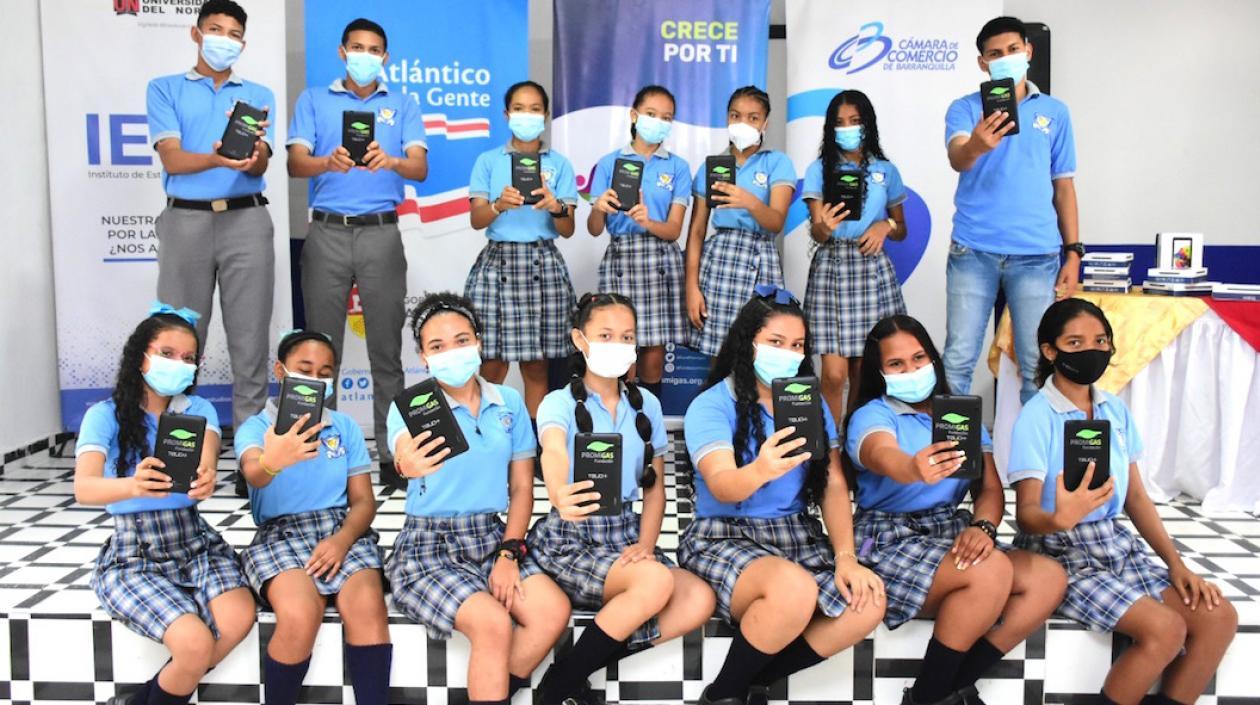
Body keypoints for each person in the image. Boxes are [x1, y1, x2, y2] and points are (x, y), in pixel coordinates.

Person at [1011, 298, 1237, 705]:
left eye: (1100, 340)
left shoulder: (1114, 410)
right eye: (1075, 342)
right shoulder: (1036, 416)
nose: (1091, 350)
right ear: (1050, 350)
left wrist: (1177, 564)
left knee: (1219, 617)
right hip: (1060, 552)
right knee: (1165, 629)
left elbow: (1135, 495)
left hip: (1114, 544)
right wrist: (1061, 518)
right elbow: (1026, 515)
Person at [845, 315, 1066, 705]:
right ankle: (932, 696)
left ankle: (949, 687)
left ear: (934, 359)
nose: (911, 370)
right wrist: (913, 467)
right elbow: (880, 453)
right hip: (888, 539)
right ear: (880, 372)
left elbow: (990, 488)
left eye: (918, 358)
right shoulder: (873, 415)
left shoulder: (959, 415)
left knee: (1048, 577)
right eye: (896, 364)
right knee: (991, 570)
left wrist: (983, 526)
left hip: (950, 530)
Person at [679, 287, 885, 705]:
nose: (788, 353)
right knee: (793, 590)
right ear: (747, 342)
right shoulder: (711, 405)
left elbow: (831, 483)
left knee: (868, 600)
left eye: (797, 345)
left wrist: (846, 556)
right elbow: (721, 483)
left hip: (795, 533)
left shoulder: (808, 404)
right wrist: (762, 468)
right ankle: (724, 694)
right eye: (776, 342)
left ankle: (742, 685)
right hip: (725, 535)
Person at [530, 293, 716, 705]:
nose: (617, 344)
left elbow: (655, 489)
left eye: (626, 336)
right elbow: (554, 450)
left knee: (698, 599)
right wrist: (559, 490)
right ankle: (556, 690)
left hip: (626, 535)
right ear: (580, 340)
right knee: (654, 582)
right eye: (605, 335)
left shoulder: (646, 403)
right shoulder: (557, 403)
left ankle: (579, 667)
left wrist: (646, 545)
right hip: (572, 536)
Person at [386, 293, 572, 705]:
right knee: (492, 624)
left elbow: (523, 488)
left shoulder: (508, 404)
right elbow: (403, 452)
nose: (451, 352)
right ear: (423, 354)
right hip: (428, 547)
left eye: (461, 340)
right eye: (437, 346)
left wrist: (509, 553)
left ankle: (489, 693)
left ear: (479, 342)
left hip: (491, 536)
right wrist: (407, 464)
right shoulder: (412, 406)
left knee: (552, 612)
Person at [74, 304, 255, 705]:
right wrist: (132, 486)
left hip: (195, 542)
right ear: (141, 355)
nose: (179, 365)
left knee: (239, 618)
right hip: (134, 553)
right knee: (193, 645)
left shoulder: (198, 410)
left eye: (189, 359)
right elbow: (84, 489)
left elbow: (205, 461)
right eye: (168, 354)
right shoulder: (104, 416)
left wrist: (205, 480)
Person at [286, 17, 429, 492]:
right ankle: (316, 449)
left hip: (381, 233)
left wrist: (392, 161)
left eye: (375, 49)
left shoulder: (402, 103)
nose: (366, 55)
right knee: (317, 352)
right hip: (326, 230)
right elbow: (293, 162)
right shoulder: (313, 99)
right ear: (342, 52)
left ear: (384, 58)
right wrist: (327, 161)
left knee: (386, 350)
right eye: (357, 47)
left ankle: (392, 455)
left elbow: (421, 167)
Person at [235, 330, 390, 705]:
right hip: (280, 534)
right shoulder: (257, 428)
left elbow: (364, 503)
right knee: (301, 614)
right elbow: (253, 474)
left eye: (325, 372)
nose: (316, 379)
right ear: (281, 370)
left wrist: (341, 540)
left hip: (343, 531)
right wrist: (275, 457)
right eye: (305, 369)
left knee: (368, 607)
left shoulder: (344, 427)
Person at [147, 0, 275, 431]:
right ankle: (174, 449)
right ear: (196, 33)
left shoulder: (258, 96)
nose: (224, 39)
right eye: (215, 29)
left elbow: (261, 165)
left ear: (243, 42)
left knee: (250, 339)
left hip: (247, 220)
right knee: (177, 338)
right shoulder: (164, 88)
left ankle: (250, 451)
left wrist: (253, 153)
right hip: (186, 220)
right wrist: (217, 159)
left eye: (234, 33)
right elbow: (173, 159)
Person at [942, 16, 1082, 403]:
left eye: (1013, 50)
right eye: (995, 54)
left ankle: (1031, 461)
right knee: (958, 358)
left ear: (1028, 51)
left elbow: (1064, 184)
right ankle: (950, 458)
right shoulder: (966, 109)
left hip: (1037, 254)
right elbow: (958, 157)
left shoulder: (1055, 112)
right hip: (973, 250)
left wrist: (1073, 252)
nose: (1005, 58)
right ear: (982, 63)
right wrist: (978, 144)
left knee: (1038, 362)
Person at [466, 80, 579, 423]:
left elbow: (569, 228)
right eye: (518, 108)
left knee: (536, 364)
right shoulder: (488, 161)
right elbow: (476, 219)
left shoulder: (559, 164)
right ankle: (482, 433)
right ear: (506, 114)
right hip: (496, 262)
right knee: (492, 362)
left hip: (542, 262)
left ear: (545, 115)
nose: (526, 116)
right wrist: (499, 205)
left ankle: (535, 444)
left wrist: (555, 206)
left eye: (534, 109)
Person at [802, 90, 909, 424]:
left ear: (868, 124)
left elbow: (902, 227)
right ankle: (830, 451)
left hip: (871, 267)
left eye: (855, 121)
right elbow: (817, 233)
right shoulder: (819, 169)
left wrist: (885, 225)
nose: (847, 128)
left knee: (865, 371)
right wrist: (826, 225)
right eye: (839, 123)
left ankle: (855, 444)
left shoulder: (886, 170)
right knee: (833, 374)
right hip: (832, 267)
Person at [587, 85, 693, 399]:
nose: (658, 121)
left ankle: (649, 436)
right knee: (617, 353)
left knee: (653, 356)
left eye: (666, 117)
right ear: (634, 116)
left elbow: (674, 230)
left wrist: (648, 221)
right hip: (621, 258)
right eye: (650, 114)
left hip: (660, 260)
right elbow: (594, 229)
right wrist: (598, 207)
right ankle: (617, 428)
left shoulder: (678, 167)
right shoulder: (609, 163)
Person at [686, 86, 796, 359]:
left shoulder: (777, 162)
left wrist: (749, 201)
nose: (743, 123)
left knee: (760, 349)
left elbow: (776, 222)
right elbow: (697, 231)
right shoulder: (712, 166)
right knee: (718, 356)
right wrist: (691, 286)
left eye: (753, 117)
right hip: (718, 263)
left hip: (761, 261)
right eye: (736, 116)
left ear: (765, 122)